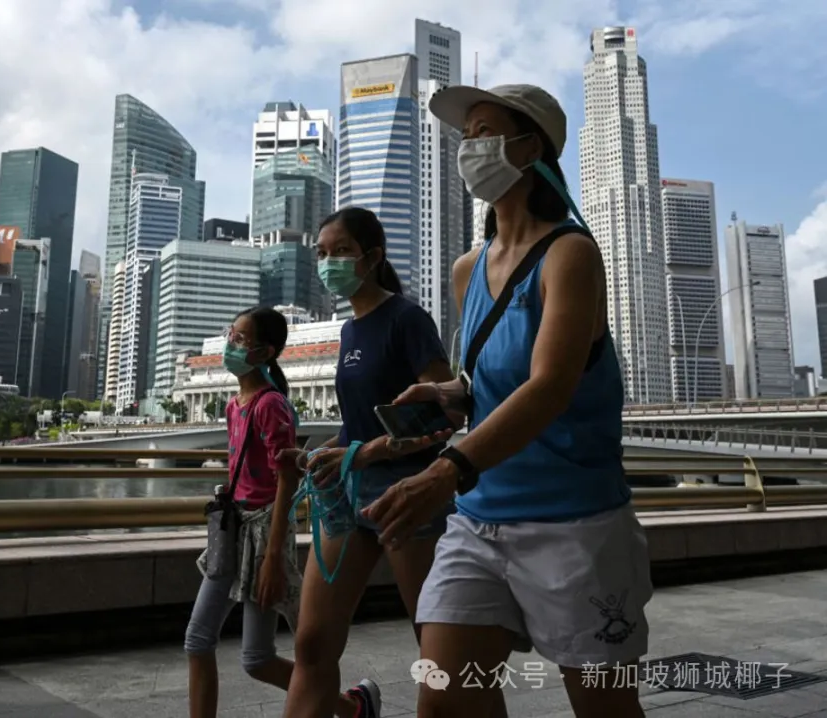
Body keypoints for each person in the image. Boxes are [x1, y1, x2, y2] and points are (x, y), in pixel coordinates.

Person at [362, 84, 653, 718]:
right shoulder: (469, 268)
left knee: (603, 707)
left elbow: (549, 386)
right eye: (465, 136)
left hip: (574, 526)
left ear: (530, 147)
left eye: (484, 131)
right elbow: (487, 381)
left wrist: (445, 471)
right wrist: (449, 393)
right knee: (443, 700)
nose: (469, 148)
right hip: (479, 518)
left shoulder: (570, 255)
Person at [280, 207, 457, 718]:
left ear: (372, 257)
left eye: (339, 251)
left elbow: (440, 413)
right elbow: (361, 424)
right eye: (321, 253)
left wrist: (367, 451)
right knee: (312, 644)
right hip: (347, 495)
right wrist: (326, 452)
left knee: (439, 644)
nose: (327, 262)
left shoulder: (406, 319)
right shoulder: (350, 332)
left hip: (408, 491)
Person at [184, 306, 362, 718]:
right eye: (231, 335)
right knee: (208, 642)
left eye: (240, 340)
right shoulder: (234, 405)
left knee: (254, 657)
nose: (231, 345)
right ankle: (350, 709)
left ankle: (348, 707)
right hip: (233, 532)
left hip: (263, 533)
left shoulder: (270, 405)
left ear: (265, 353)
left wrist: (272, 560)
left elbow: (285, 482)